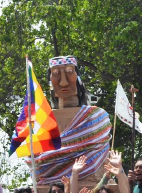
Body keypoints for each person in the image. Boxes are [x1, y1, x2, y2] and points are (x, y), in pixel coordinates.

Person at [30, 55, 111, 185]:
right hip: (51, 189)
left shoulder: (96, 116)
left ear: (78, 78)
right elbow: (38, 160)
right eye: (56, 74)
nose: (63, 82)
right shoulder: (42, 120)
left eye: (69, 72)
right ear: (50, 81)